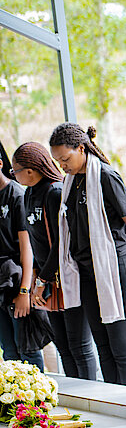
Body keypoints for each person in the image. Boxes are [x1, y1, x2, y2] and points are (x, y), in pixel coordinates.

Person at [49, 123, 126, 388]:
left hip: (116, 267)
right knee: (104, 347)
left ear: (81, 148)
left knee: (123, 348)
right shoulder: (71, 182)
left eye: (65, 159)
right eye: (58, 161)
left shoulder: (105, 176)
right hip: (86, 271)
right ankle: (117, 404)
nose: (62, 166)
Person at [11, 142, 95, 379]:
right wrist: (36, 275)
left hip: (66, 278)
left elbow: (62, 243)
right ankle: (76, 393)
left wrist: (43, 279)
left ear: (30, 171)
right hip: (46, 280)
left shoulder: (54, 192)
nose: (14, 175)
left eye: (15, 171)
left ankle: (90, 392)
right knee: (63, 344)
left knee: (79, 345)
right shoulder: (29, 194)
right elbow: (34, 240)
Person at [0, 140, 42, 371]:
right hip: (0, 285)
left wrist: (25, 290)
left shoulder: (16, 194)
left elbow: (27, 247)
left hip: (16, 282)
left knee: (28, 349)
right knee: (9, 350)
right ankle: (16, 395)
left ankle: (37, 393)